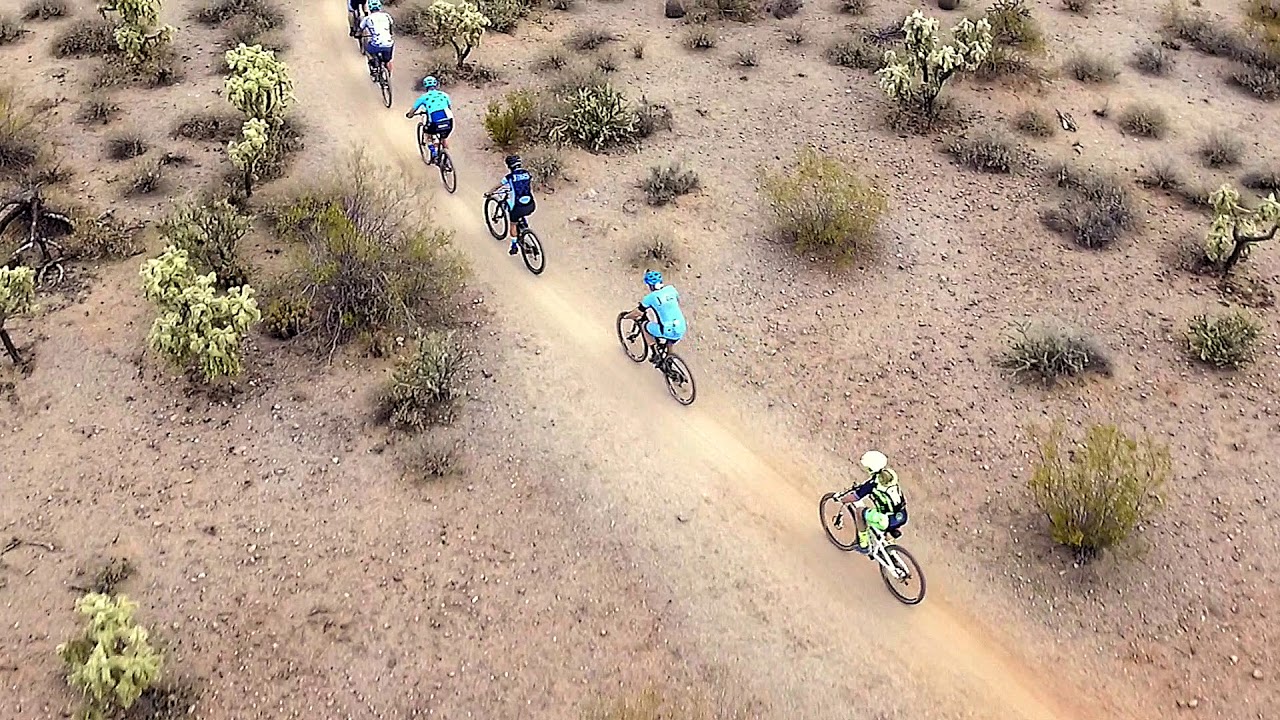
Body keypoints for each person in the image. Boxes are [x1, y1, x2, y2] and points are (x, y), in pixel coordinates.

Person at [836, 450, 908, 554]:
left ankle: (863, 545)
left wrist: (841, 499)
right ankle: (891, 550)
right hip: (902, 515)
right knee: (882, 518)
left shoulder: (872, 485)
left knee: (860, 512)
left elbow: (856, 497)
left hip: (886, 520)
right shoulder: (891, 475)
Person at [624, 270, 686, 360]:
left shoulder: (650, 298)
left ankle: (654, 353)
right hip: (681, 327)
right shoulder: (671, 289)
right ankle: (669, 360)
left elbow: (638, 313)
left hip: (666, 329)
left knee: (644, 326)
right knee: (671, 339)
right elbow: (676, 301)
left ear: (651, 285)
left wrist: (627, 316)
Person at [487, 155, 536, 255]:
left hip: (518, 207)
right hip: (531, 205)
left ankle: (514, 245)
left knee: (513, 223)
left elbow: (499, 186)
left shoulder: (509, 177)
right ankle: (525, 227)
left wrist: (489, 193)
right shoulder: (527, 173)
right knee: (522, 211)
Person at [404, 77, 453, 165]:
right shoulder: (445, 95)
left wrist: (409, 115)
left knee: (428, 135)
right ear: (436, 84)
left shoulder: (423, 98)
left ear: (425, 86)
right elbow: (449, 107)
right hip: (449, 121)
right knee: (444, 136)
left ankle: (434, 154)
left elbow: (413, 110)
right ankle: (446, 155)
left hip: (435, 123)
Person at [358, 0, 395, 79]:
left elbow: (360, 29)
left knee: (368, 50)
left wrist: (358, 34)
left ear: (370, 8)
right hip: (389, 44)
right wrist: (390, 33)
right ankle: (389, 75)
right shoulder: (386, 16)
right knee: (388, 60)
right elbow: (391, 26)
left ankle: (374, 67)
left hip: (377, 44)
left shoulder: (368, 18)